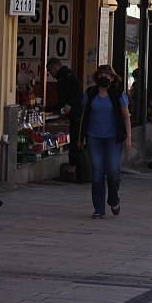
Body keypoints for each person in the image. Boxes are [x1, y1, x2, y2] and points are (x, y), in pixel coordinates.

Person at [79, 65, 132, 219]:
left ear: (112, 78)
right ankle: (98, 209)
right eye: (101, 74)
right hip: (93, 137)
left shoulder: (118, 95)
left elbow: (125, 116)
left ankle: (114, 199)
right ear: (97, 76)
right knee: (97, 173)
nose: (104, 77)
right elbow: (84, 115)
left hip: (113, 138)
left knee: (113, 171)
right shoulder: (90, 93)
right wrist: (80, 138)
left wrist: (128, 136)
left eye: (107, 75)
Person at [47, 58, 85, 182]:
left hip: (77, 115)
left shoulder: (67, 75)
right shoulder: (63, 77)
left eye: (50, 70)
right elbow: (62, 102)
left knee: (75, 142)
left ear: (55, 67)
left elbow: (78, 90)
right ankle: (74, 170)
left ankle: (74, 171)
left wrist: (69, 104)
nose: (50, 74)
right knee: (74, 142)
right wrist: (47, 109)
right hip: (75, 115)